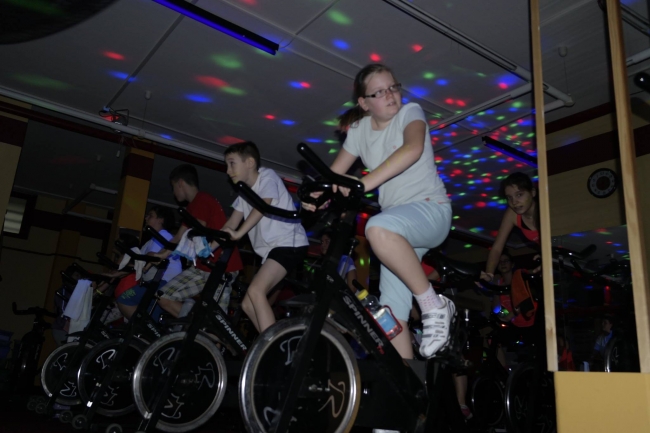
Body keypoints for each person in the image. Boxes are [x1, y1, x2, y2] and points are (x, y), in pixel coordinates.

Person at [303, 64, 453, 360]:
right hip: (399, 230)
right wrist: (315, 196)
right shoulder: (359, 131)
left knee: (375, 228)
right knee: (391, 316)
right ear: (364, 103)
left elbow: (412, 149)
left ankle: (434, 305)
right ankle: (408, 381)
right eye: (380, 92)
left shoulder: (410, 112)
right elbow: (333, 176)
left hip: (430, 211)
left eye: (393, 87)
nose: (391, 95)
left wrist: (361, 184)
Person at [221, 141, 309, 333]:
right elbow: (231, 224)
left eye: (232, 163)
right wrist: (206, 246)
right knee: (247, 304)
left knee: (256, 291)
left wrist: (239, 234)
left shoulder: (267, 176)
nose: (228, 171)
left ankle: (274, 345)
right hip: (273, 250)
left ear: (250, 163)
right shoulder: (244, 194)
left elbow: (263, 204)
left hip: (289, 244)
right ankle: (273, 339)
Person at [152, 164, 243, 317]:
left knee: (214, 318)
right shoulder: (191, 208)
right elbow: (178, 237)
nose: (173, 193)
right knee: (163, 296)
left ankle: (203, 328)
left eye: (173, 187)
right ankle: (191, 326)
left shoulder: (202, 199)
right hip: (202, 267)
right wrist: (159, 255)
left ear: (180, 183)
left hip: (222, 266)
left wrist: (166, 253)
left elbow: (198, 228)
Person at [115, 206, 183, 320]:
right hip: (155, 283)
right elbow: (139, 264)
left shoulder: (163, 235)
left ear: (161, 220)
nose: (146, 218)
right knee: (152, 318)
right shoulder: (150, 242)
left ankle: (141, 327)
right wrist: (115, 273)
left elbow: (151, 258)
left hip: (163, 282)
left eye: (150, 215)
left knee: (124, 300)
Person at [481, 172, 539, 283]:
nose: (514, 202)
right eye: (509, 197)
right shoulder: (512, 214)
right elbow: (497, 248)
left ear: (533, 192)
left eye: (519, 195)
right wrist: (489, 274)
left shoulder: (544, 208)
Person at [318, 228, 358, 292]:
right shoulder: (324, 262)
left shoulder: (345, 259)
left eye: (327, 242)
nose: (323, 245)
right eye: (322, 242)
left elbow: (352, 288)